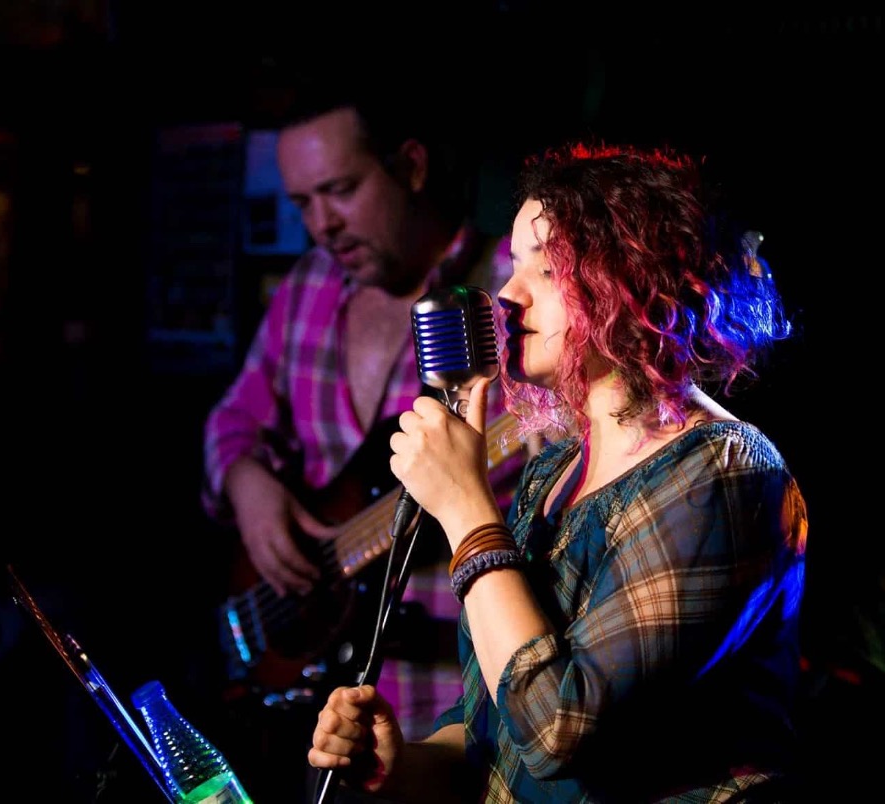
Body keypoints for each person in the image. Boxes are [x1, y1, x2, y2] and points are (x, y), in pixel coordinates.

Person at [306, 141, 809, 802]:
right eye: (514, 264)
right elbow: (496, 730)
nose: (506, 296)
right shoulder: (553, 472)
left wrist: (465, 509)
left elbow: (557, 730)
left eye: (545, 268)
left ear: (633, 281)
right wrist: (401, 765)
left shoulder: (722, 475)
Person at [199, 69, 529, 802]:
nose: (322, 225)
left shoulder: (515, 291)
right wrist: (247, 486)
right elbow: (231, 421)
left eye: (341, 191)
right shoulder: (306, 289)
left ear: (410, 166)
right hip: (324, 716)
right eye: (302, 203)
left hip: (459, 713)